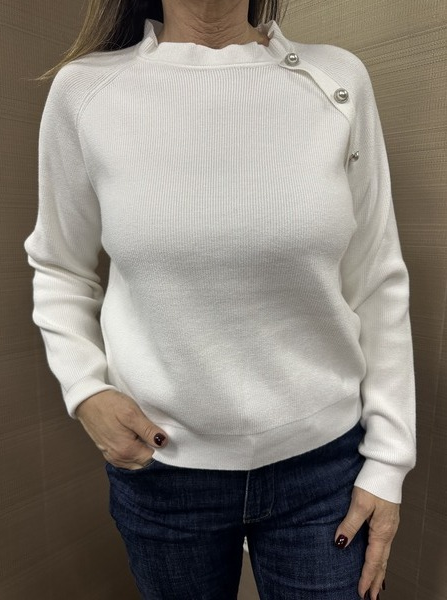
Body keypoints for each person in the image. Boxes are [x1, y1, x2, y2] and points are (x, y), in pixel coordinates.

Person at [24, 0, 416, 598]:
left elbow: (376, 278)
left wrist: (389, 461)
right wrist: (85, 390)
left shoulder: (337, 80)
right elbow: (60, 265)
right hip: (163, 472)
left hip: (325, 468)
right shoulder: (86, 92)